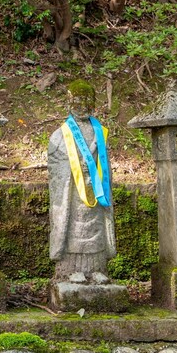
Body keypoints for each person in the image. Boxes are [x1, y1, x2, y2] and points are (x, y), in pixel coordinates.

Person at [48, 80, 116, 283]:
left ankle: (97, 268)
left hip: (97, 187)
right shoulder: (61, 134)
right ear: (69, 103)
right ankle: (71, 269)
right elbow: (54, 163)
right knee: (74, 226)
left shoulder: (100, 132)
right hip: (74, 191)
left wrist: (99, 174)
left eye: (87, 102)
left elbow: (106, 162)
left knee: (96, 227)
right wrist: (73, 169)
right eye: (78, 102)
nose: (83, 106)